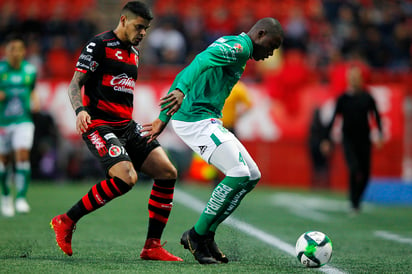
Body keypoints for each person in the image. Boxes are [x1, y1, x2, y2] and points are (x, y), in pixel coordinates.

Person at [143, 17, 284, 264]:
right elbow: (200, 61)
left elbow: (200, 62)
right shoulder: (239, 48)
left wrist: (167, 113)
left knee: (252, 175)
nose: (270, 54)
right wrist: (179, 93)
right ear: (260, 34)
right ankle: (196, 235)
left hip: (207, 119)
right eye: (271, 46)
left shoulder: (239, 47)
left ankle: (207, 235)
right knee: (239, 172)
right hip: (195, 120)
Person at [50, 1, 182, 261]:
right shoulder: (99, 45)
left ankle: (152, 246)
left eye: (146, 28)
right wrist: (80, 111)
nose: (143, 32)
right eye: (139, 26)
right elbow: (74, 84)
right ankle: (65, 220)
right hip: (99, 124)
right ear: (123, 20)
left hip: (127, 126)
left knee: (168, 172)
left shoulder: (134, 52)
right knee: (126, 177)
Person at [321, 66, 384, 214]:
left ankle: (357, 199)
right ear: (349, 79)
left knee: (366, 173)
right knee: (354, 169)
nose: (354, 79)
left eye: (357, 77)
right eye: (352, 77)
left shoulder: (367, 98)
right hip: (348, 139)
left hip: (364, 139)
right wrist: (326, 139)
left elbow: (377, 117)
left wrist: (380, 134)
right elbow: (333, 119)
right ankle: (353, 201)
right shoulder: (343, 99)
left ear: (361, 79)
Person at [0, 34, 38, 217]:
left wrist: (35, 101)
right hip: (3, 122)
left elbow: (32, 91)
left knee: (22, 155)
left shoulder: (30, 70)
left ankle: (21, 198)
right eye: (11, 49)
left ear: (24, 52)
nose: (14, 53)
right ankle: (6, 197)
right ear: (6, 52)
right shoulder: (0, 70)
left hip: (24, 120)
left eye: (18, 49)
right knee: (3, 162)